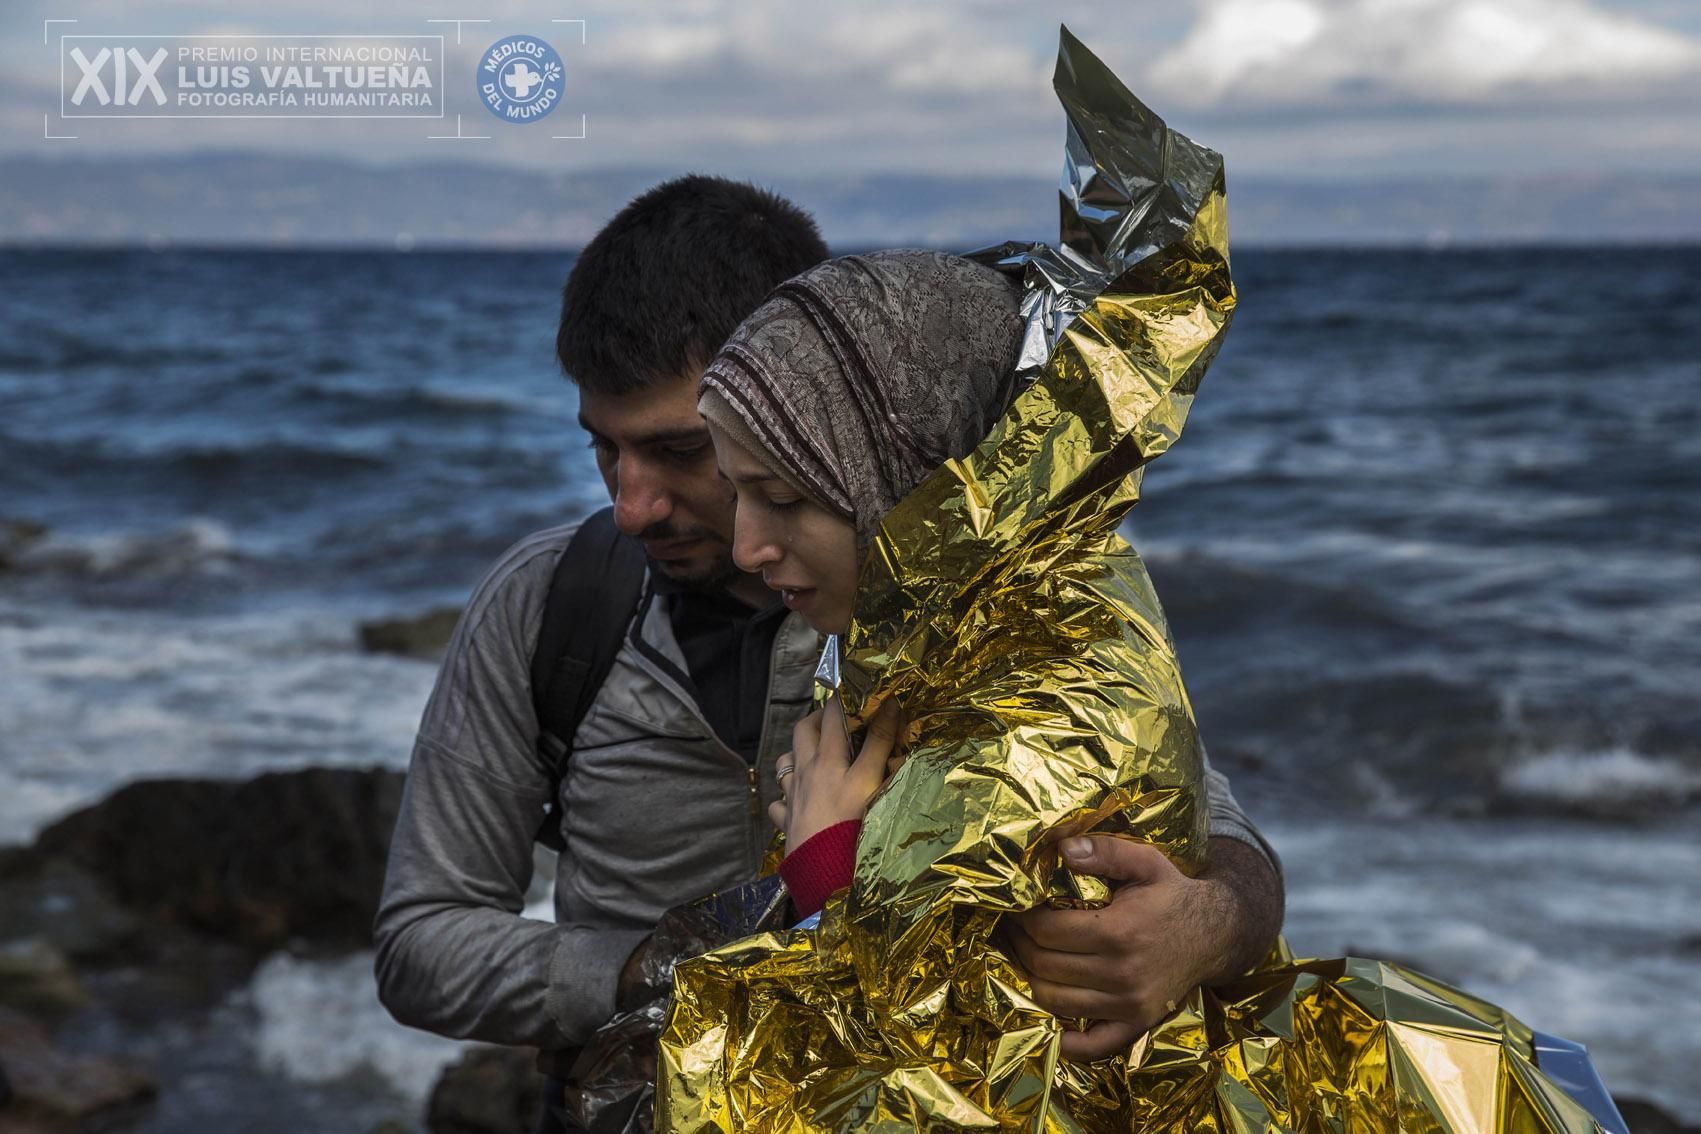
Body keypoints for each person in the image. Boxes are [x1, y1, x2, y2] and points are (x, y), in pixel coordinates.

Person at [372, 180, 1281, 1124]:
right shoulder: (548, 604)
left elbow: (1205, 828)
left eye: (683, 453)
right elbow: (420, 943)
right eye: (605, 450)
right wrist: (681, 963)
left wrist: (1210, 925)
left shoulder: (980, 608)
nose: (630, 505)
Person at [664, 249, 1598, 1132]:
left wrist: (826, 877)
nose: (747, 544)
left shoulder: (1032, 702)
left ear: (918, 485)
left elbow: (953, 1090)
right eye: (736, 491)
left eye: (784, 499)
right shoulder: (961, 627)